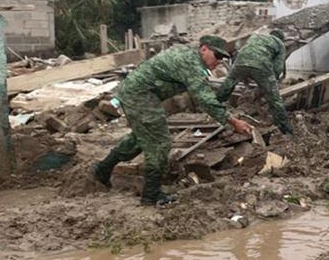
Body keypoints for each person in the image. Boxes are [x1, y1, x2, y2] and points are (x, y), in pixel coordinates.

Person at [93, 35, 253, 206]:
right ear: (204, 49)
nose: (219, 61)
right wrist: (233, 121)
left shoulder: (191, 58)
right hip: (140, 95)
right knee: (159, 143)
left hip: (139, 93)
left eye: (222, 58)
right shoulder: (190, 63)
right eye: (217, 55)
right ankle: (151, 195)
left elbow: (202, 90)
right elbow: (204, 98)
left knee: (140, 138)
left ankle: (103, 169)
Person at [216, 30, 293, 134]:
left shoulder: (255, 36)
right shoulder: (280, 43)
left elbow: (240, 52)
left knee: (227, 86)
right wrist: (271, 83)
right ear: (281, 38)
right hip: (261, 65)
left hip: (240, 62)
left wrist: (243, 76)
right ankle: (285, 129)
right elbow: (278, 67)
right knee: (275, 100)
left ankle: (213, 109)